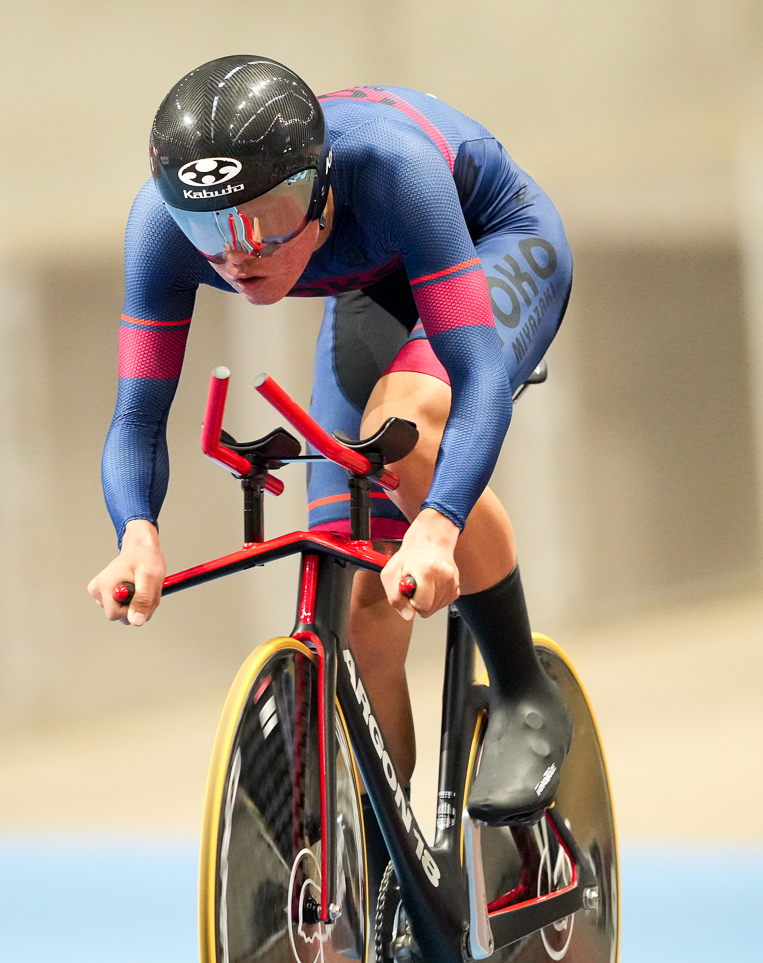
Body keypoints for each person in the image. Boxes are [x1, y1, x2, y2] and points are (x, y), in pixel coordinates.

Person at [86, 55, 574, 826]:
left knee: (404, 429)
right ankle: (388, 858)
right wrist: (137, 534)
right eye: (209, 227)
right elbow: (137, 417)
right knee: (358, 597)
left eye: (265, 217)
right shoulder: (158, 227)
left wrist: (438, 526)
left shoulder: (394, 168)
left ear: (319, 192)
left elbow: (478, 378)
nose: (239, 252)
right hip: (372, 277)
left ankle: (522, 689)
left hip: (492, 238)